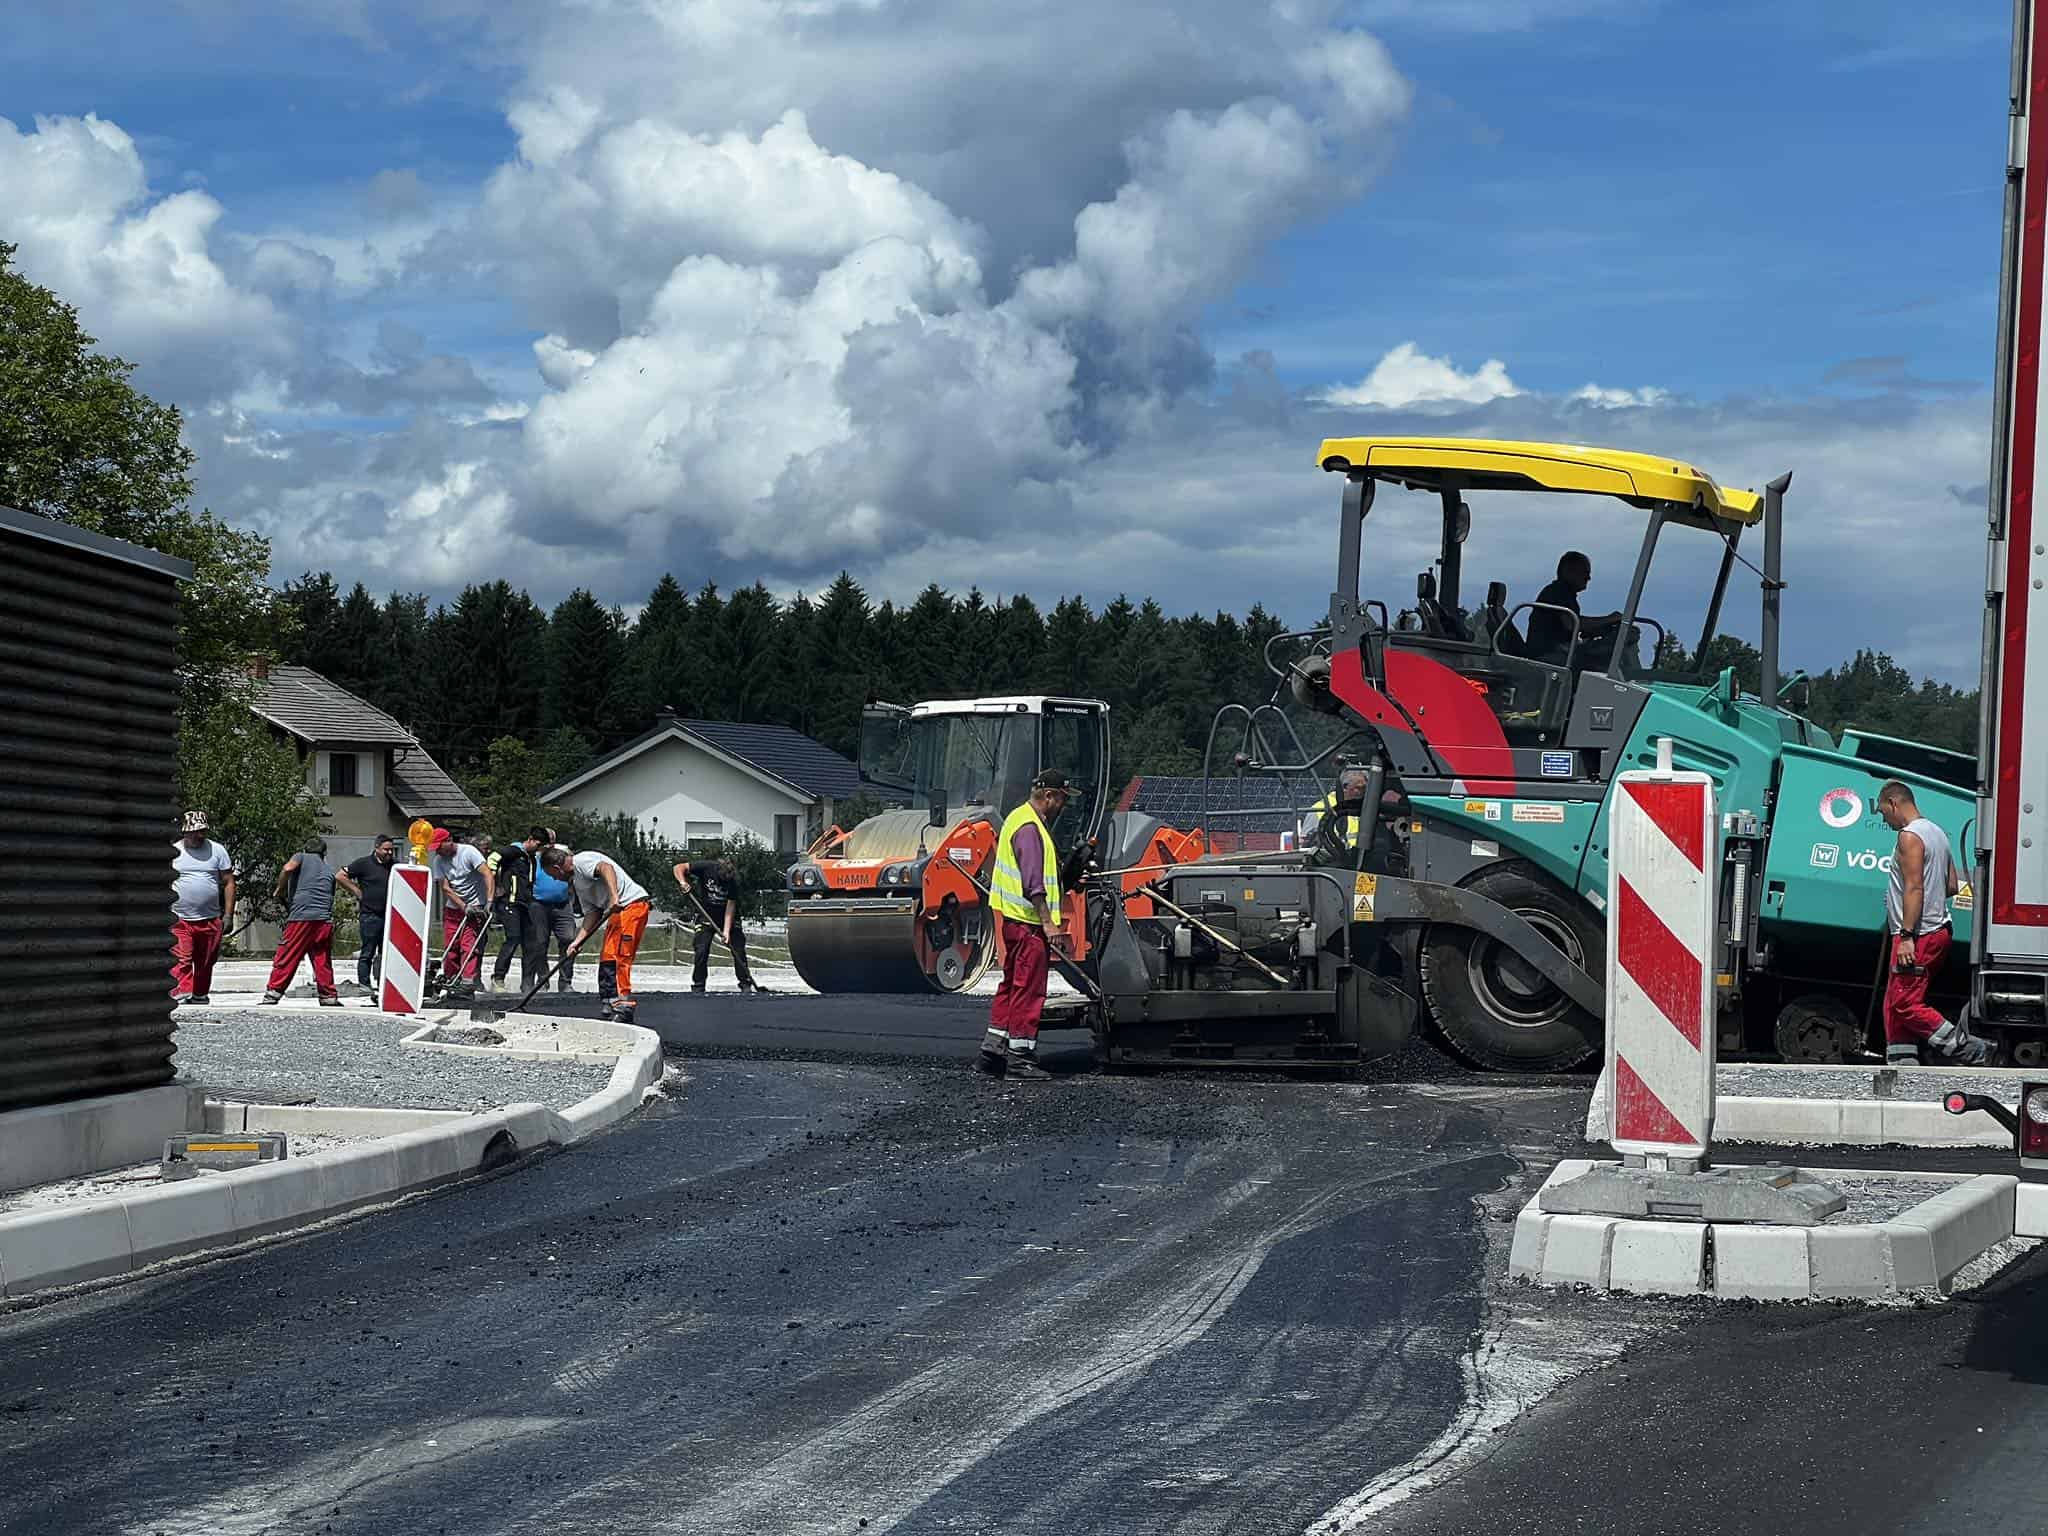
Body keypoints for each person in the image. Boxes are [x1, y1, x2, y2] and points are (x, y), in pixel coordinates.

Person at [1876, 781, 1988, 1065]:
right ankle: (1903, 1066)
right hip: (1936, 930)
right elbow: (1951, 885)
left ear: (1893, 803)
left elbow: (1914, 887)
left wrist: (1906, 935)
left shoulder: (1909, 836)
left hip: (1919, 934)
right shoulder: (1937, 833)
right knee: (1894, 1001)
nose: (1885, 820)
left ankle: (1969, 1049)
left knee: (1904, 1003)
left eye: (1883, 812)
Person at [978, 769, 1072, 1081]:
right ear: (1049, 795)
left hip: (1014, 921)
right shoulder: (1030, 828)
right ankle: (1020, 1059)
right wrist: (1049, 925)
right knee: (1029, 990)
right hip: (1028, 923)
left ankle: (993, 1051)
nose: (1063, 806)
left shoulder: (1018, 818)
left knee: (1011, 985)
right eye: (1062, 799)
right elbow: (1034, 883)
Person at [544, 845, 652, 1021]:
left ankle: (624, 1005)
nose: (555, 879)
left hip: (631, 906)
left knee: (619, 957)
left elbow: (605, 868)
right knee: (607, 957)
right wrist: (577, 942)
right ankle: (610, 1001)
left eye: (553, 875)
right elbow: (592, 913)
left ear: (557, 868)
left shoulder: (581, 861)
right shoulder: (578, 883)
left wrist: (614, 897)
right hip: (617, 912)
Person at [263, 836, 342, 1006]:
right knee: (321, 959)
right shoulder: (328, 870)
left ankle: (273, 992)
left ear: (306, 849)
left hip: (302, 918)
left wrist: (279, 890)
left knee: (288, 954)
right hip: (324, 920)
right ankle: (328, 996)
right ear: (324, 853)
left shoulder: (301, 856)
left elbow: (288, 868)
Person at [170, 810, 235, 1005]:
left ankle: (199, 994)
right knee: (182, 958)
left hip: (210, 918)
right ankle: (182, 992)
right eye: (194, 832)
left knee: (206, 961)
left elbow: (229, 882)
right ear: (185, 832)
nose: (198, 835)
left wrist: (228, 915)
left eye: (202, 831)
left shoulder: (217, 851)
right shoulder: (174, 852)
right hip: (180, 918)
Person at [675, 856, 761, 993]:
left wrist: (726, 932)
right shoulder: (706, 867)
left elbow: (730, 907)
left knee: (738, 948)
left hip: (727, 916)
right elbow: (678, 867)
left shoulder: (733, 881)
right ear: (719, 871)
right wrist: (683, 882)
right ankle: (698, 985)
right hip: (706, 915)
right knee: (701, 949)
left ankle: (745, 984)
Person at [1526, 551, 1625, 667]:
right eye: (1585, 572)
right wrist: (1610, 618)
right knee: (1603, 658)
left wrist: (1599, 628)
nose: (1588, 578)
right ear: (1568, 571)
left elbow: (1572, 626)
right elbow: (1572, 624)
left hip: (1559, 651)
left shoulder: (1565, 594)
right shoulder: (1556, 591)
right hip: (1549, 655)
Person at [429, 828, 494, 998]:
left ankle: (467, 982)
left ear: (449, 840)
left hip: (476, 908)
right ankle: (451, 979)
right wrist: (463, 906)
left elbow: (487, 874)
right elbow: (445, 888)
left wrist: (489, 901)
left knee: (469, 946)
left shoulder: (469, 852)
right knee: (451, 947)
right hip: (454, 908)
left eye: (439, 846)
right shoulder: (438, 861)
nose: (438, 851)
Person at [487, 828, 546, 994]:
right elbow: (492, 858)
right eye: (538, 845)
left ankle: (527, 984)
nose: (538, 849)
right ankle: (498, 978)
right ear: (530, 839)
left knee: (531, 943)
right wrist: (493, 881)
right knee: (513, 938)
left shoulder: (531, 859)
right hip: (509, 903)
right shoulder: (513, 851)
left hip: (525, 904)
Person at [339, 834, 398, 995]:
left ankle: (383, 983)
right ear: (377, 848)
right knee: (368, 952)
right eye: (386, 849)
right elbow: (340, 876)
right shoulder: (363, 864)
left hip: (390, 916)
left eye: (392, 850)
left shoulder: (395, 866)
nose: (389, 853)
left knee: (386, 953)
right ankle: (364, 984)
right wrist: (358, 892)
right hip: (370, 915)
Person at [530, 827, 579, 992]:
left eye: (551, 841)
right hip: (538, 904)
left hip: (562, 904)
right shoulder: (533, 859)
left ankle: (565, 982)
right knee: (539, 943)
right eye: (546, 841)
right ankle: (542, 980)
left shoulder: (562, 858)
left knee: (569, 939)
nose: (549, 845)